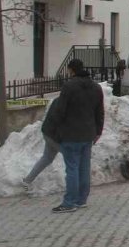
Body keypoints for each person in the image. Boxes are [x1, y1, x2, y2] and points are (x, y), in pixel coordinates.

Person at [44, 59, 104, 213]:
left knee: (72, 168)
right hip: (88, 134)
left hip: (70, 134)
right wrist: (98, 130)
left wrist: (56, 129)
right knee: (84, 167)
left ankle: (69, 202)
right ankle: (81, 199)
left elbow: (60, 110)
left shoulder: (69, 87)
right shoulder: (96, 87)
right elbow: (99, 111)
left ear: (71, 70)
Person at [22, 103, 60, 190]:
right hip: (57, 137)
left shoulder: (56, 102)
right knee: (72, 160)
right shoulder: (68, 104)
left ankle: (27, 181)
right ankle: (76, 185)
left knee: (47, 158)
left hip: (48, 134)